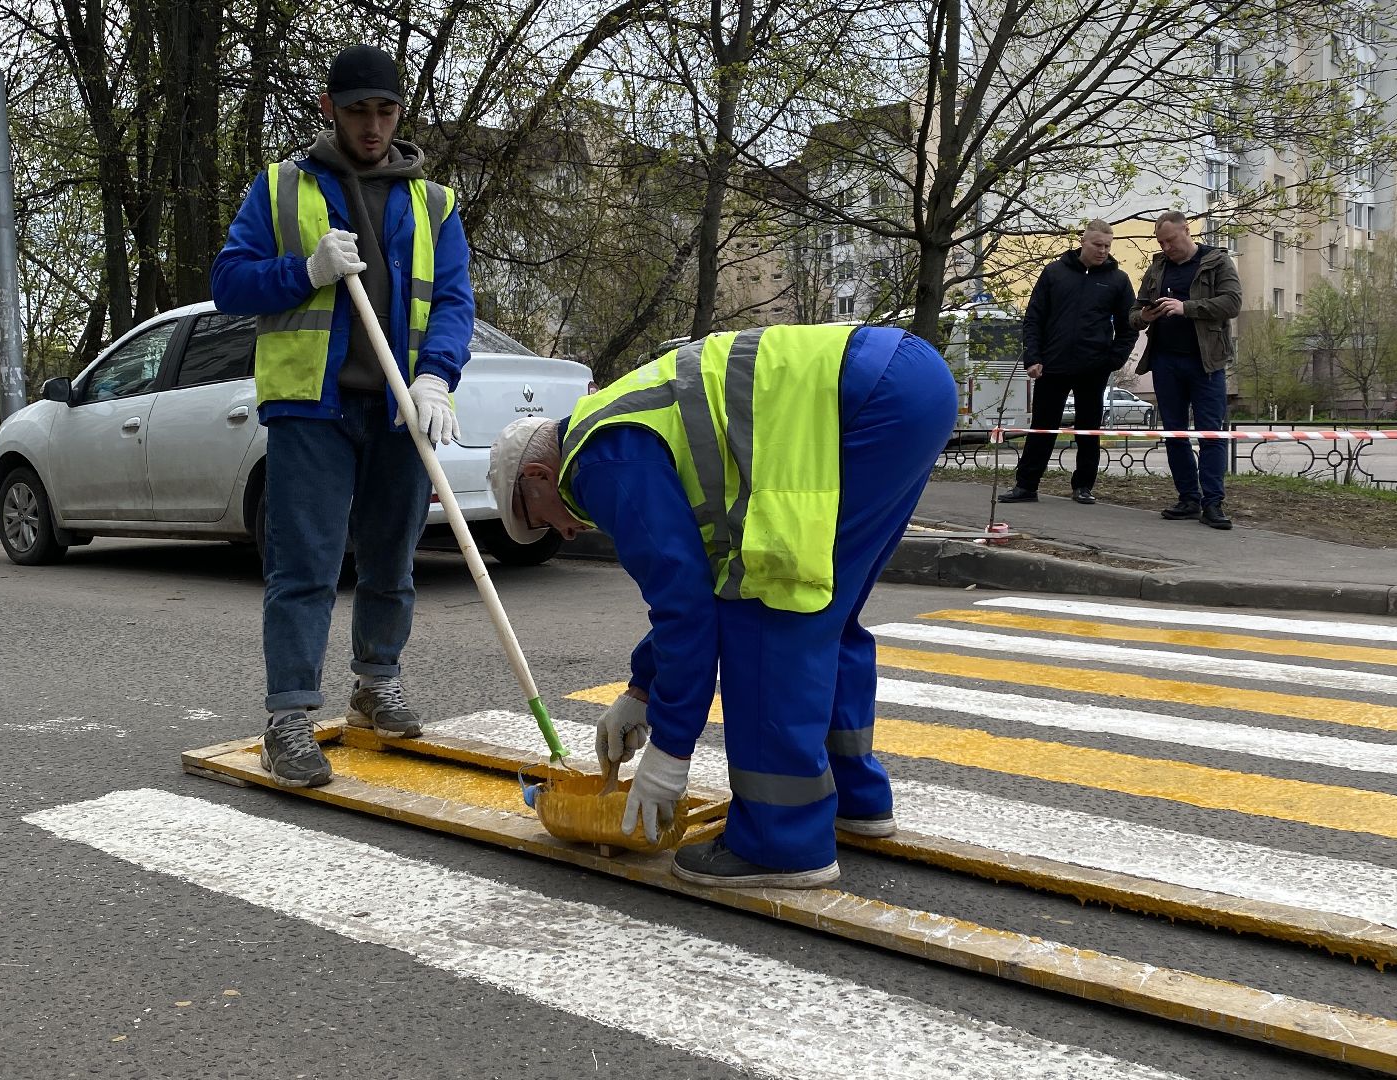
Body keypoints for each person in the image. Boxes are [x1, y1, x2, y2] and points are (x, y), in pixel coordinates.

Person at [487, 325, 958, 888]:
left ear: (540, 475)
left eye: (538, 515)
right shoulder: (621, 426)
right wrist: (641, 690)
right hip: (904, 383)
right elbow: (699, 582)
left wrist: (669, 753)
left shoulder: (597, 462)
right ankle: (854, 800)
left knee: (767, 614)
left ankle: (780, 843)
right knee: (825, 613)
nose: (559, 531)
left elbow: (685, 607)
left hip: (866, 397)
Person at [211, 43, 475, 788]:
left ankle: (374, 684)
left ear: (400, 112)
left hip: (398, 410)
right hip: (313, 409)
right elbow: (229, 283)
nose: (371, 125)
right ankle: (288, 717)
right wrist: (305, 271)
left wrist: (434, 377)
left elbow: (453, 302)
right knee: (306, 566)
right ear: (329, 107)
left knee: (393, 559)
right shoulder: (282, 187)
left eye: (384, 110)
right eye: (356, 110)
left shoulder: (433, 202)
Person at [996, 219, 1137, 506]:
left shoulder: (1118, 280)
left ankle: (1083, 486)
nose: (1102, 251)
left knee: (1088, 430)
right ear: (1083, 242)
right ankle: (1026, 486)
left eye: (1107, 246)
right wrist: (1033, 357)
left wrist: (1113, 359)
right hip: (1053, 364)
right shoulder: (1054, 273)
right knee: (1042, 427)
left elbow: (1129, 326)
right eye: (1097, 245)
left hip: (1093, 367)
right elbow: (1033, 318)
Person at [1130, 210, 1240, 529]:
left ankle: (1213, 503)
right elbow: (1134, 312)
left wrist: (1185, 308)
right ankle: (1188, 498)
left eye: (1171, 240)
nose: (1166, 247)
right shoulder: (1158, 267)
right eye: (1161, 242)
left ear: (1186, 231)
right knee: (1175, 433)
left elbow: (1232, 303)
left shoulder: (1216, 261)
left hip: (1206, 363)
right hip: (1165, 362)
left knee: (1210, 433)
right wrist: (1144, 318)